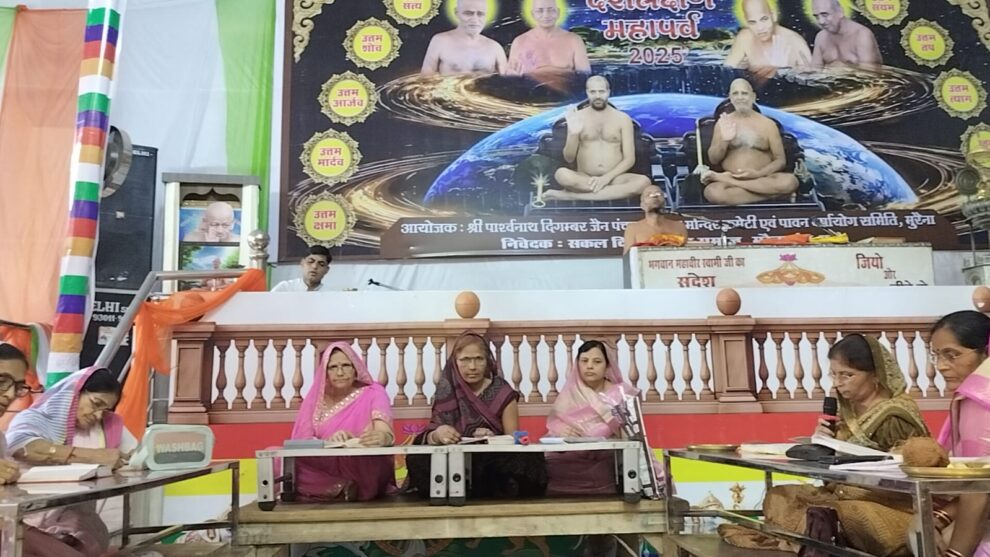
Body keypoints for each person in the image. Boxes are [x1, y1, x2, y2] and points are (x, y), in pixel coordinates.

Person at [720, 333, 929, 555]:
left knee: (843, 513)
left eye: (847, 375)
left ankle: (811, 539)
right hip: (839, 492)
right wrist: (823, 443)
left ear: (876, 374)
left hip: (887, 503)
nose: (838, 383)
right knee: (780, 496)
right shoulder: (846, 411)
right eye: (834, 374)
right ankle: (814, 538)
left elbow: (909, 473)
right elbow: (831, 473)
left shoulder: (895, 416)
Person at [7, 367, 136, 557]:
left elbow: (134, 457)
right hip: (32, 521)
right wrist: (93, 456)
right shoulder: (35, 418)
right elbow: (21, 446)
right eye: (95, 404)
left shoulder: (106, 426)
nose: (98, 415)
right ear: (74, 394)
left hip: (78, 524)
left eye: (105, 409)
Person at [406, 333, 547, 498]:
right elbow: (431, 435)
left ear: (488, 361)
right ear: (455, 362)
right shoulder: (447, 390)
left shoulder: (502, 391)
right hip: (454, 456)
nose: (472, 367)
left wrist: (492, 438)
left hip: (491, 459)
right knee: (417, 457)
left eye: (479, 359)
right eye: (465, 360)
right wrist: (438, 434)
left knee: (529, 458)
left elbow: (513, 439)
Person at [917, 311, 990, 557]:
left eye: (952, 355)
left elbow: (980, 485)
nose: (940, 366)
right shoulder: (969, 399)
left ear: (986, 353)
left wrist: (954, 551)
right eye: (936, 355)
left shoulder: (981, 402)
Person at [290, 342, 395, 502]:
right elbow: (302, 442)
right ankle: (341, 487)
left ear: (356, 368)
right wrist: (328, 443)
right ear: (325, 372)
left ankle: (334, 489)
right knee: (276, 459)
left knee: (372, 463)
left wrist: (381, 437)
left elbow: (384, 431)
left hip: (360, 462)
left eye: (346, 365)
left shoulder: (374, 392)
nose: (340, 372)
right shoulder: (314, 400)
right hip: (326, 463)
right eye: (333, 367)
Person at [545, 340, 635, 495]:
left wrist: (598, 431)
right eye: (584, 361)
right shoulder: (570, 393)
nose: (590, 366)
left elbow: (630, 434)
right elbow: (554, 424)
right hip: (567, 457)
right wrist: (561, 431)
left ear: (607, 365)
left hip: (605, 458)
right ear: (577, 364)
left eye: (597, 361)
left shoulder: (621, 394)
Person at [544, 75, 652, 202]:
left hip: (615, 178)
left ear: (608, 92)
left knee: (643, 182)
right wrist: (573, 133)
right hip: (584, 178)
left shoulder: (623, 119)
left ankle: (570, 196)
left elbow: (629, 159)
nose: (597, 96)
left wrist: (606, 178)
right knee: (562, 175)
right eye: (593, 92)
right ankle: (611, 193)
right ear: (587, 92)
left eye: (601, 91)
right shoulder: (578, 118)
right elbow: (569, 158)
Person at [702, 78, 798, 205]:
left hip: (763, 178)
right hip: (732, 179)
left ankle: (734, 184)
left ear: (753, 97)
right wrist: (724, 141)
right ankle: (775, 195)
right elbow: (714, 160)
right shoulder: (723, 123)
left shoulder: (768, 125)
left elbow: (780, 160)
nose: (740, 97)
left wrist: (758, 174)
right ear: (730, 97)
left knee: (790, 181)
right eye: (735, 93)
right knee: (713, 192)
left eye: (744, 93)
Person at [421, 0, 507, 76]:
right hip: (448, 89)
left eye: (480, 14)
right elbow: (425, 80)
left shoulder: (495, 48)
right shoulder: (440, 41)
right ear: (456, 13)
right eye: (468, 13)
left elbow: (507, 82)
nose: (474, 19)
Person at [724, 0, 811, 71]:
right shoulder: (744, 38)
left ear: (773, 15)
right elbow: (726, 72)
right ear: (746, 22)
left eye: (764, 19)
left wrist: (782, 71)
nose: (760, 28)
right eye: (752, 22)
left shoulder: (795, 42)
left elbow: (811, 79)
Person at [508, 0, 590, 75]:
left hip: (567, 86)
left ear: (558, 12)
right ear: (533, 14)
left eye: (551, 10)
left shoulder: (574, 41)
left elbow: (584, 77)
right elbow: (511, 78)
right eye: (540, 11)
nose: (546, 15)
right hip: (529, 87)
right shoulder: (519, 42)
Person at [810, 0, 882, 68]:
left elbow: (871, 73)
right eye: (816, 16)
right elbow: (815, 71)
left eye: (825, 15)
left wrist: (841, 70)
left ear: (840, 12)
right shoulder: (820, 37)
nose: (821, 21)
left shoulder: (862, 35)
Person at [622, 186, 688, 254]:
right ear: (642, 205)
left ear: (665, 203)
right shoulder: (633, 229)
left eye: (658, 194)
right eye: (649, 194)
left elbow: (686, 255)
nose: (654, 196)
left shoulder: (679, 227)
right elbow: (628, 257)